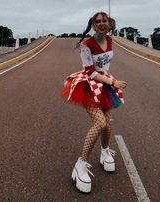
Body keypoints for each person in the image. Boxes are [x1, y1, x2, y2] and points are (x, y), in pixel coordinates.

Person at [62, 11, 127, 193]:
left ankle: (105, 151)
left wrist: (109, 81)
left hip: (104, 84)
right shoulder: (87, 45)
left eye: (104, 20)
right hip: (89, 85)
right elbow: (90, 72)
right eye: (97, 21)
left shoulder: (111, 40)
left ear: (109, 23)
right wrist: (113, 82)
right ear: (93, 25)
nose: (101, 23)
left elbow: (105, 65)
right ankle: (80, 164)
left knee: (106, 124)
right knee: (100, 123)